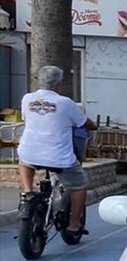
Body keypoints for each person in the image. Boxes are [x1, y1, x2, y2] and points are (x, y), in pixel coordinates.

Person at [17, 65, 97, 241]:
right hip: (59, 157)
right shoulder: (66, 103)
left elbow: (28, 118)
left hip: (31, 152)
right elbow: (85, 123)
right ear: (59, 85)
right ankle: (74, 224)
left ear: (38, 81)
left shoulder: (27, 99)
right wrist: (94, 126)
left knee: (25, 160)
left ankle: (28, 192)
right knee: (79, 185)